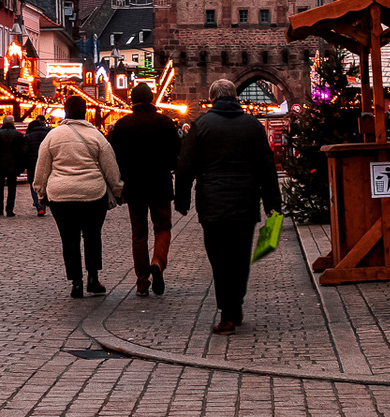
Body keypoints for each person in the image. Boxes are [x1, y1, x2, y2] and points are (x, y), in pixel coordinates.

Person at [175, 78, 282, 334]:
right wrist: (273, 204)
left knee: (220, 259)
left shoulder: (201, 126)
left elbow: (184, 165)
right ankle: (235, 305)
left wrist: (182, 200)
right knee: (240, 257)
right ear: (235, 96)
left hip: (212, 204)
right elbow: (267, 167)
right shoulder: (253, 125)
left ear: (212, 98)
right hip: (245, 201)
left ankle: (228, 312)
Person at [34, 95, 124, 298]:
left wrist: (40, 191)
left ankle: (76, 283)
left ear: (65, 112)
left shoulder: (53, 136)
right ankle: (93, 278)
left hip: (61, 196)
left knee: (69, 238)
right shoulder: (96, 136)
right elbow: (111, 167)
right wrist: (117, 191)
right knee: (92, 236)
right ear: (85, 112)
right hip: (93, 194)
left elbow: (42, 168)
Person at [107, 82, 181, 296]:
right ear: (151, 99)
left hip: (134, 185)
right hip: (159, 183)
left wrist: (119, 185)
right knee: (163, 227)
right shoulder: (165, 123)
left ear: (131, 101)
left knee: (138, 234)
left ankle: (142, 281)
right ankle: (158, 261)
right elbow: (176, 154)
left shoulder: (122, 125)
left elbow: (115, 158)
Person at [0, 114, 26, 217]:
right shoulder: (18, 135)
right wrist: (22, 165)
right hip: (13, 164)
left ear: (3, 123)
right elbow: (22, 152)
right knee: (12, 188)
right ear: (13, 122)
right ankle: (9, 209)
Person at [23, 114, 52, 216]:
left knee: (33, 184)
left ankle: (38, 205)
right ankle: (44, 202)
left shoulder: (28, 136)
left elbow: (25, 152)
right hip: (47, 162)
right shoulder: (49, 133)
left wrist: (24, 164)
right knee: (47, 182)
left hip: (32, 163)